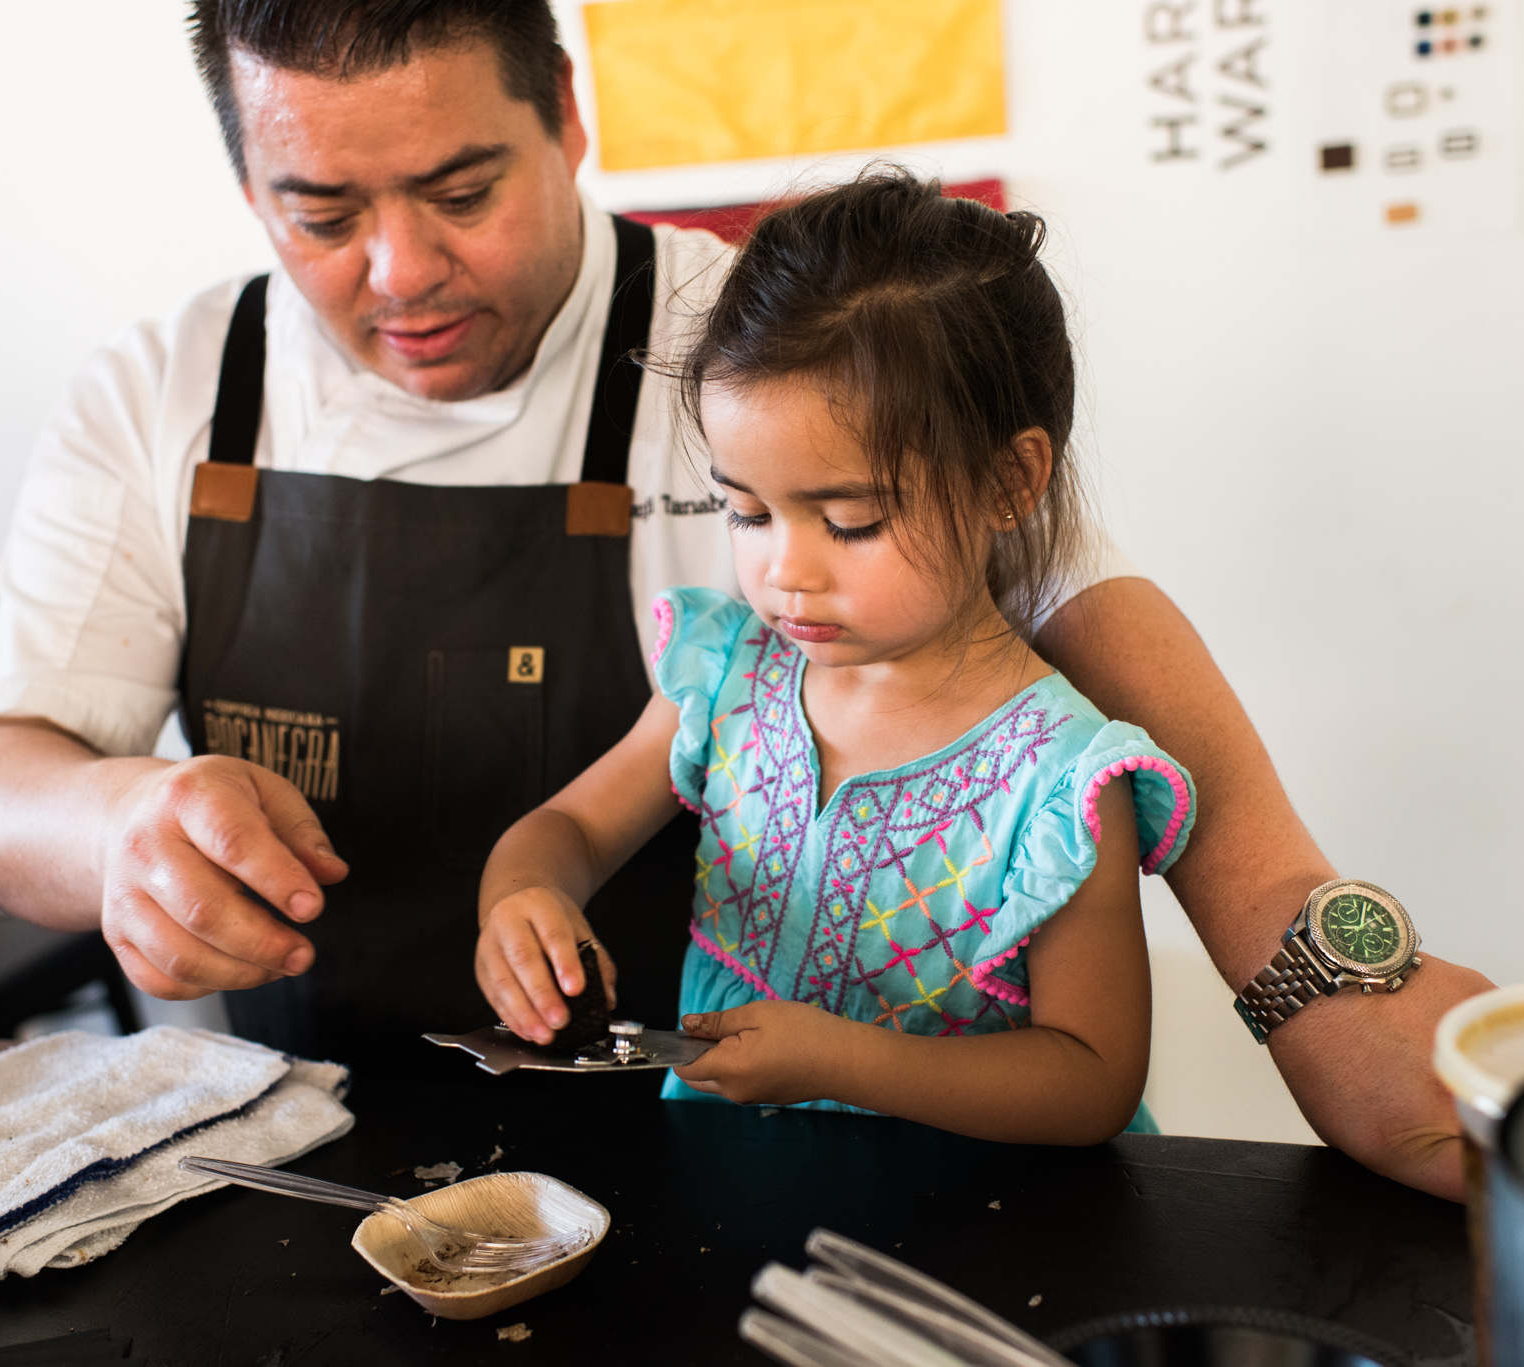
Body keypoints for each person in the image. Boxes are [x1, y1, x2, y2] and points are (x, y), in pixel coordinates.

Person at [0, 0, 1491, 1194]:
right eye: (322, 213)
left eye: (462, 186)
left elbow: (1083, 611)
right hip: (318, 1139)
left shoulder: (759, 343)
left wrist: (1313, 968)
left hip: (693, 1151)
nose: (400, 271)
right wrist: (121, 828)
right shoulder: (167, 389)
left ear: (564, 111)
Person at [477, 171, 1189, 1143]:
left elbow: (1091, 1079)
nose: (785, 571)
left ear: (1007, 480)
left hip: (988, 1243)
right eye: (746, 510)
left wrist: (840, 1059)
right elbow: (567, 827)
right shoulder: (727, 676)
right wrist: (524, 898)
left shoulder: (1059, 783)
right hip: (735, 1199)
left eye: (848, 520)